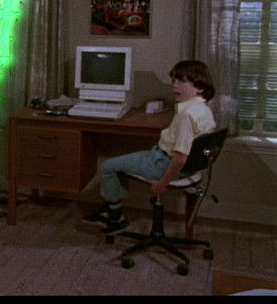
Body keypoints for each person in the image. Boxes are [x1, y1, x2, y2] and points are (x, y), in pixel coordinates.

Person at [82, 60, 216, 235]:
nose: (175, 85)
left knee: (108, 166)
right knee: (120, 163)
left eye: (182, 81)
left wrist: (162, 184)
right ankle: (108, 209)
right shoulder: (204, 109)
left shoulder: (186, 115)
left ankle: (115, 217)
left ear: (200, 87)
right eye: (174, 81)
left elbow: (180, 158)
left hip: (164, 164)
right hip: (187, 167)